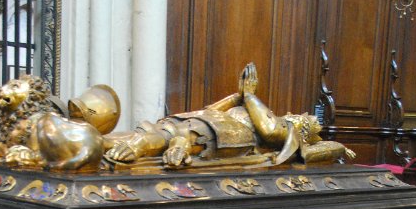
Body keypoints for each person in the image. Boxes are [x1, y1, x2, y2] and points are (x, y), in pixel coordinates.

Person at [104, 63, 354, 169]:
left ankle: (132, 146)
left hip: (216, 136)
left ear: (303, 131)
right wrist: (238, 96)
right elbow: (211, 109)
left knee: (156, 142)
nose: (295, 114)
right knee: (125, 139)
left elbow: (267, 130)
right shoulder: (253, 106)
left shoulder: (286, 131)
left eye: (304, 119)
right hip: (197, 122)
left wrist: (250, 95)